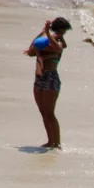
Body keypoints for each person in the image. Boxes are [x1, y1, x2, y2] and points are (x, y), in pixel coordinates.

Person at [24, 18, 71, 149]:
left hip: (51, 79)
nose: (63, 35)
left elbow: (57, 49)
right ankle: (51, 141)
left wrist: (48, 33)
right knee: (43, 112)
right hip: (39, 79)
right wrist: (42, 32)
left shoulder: (58, 43)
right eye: (63, 32)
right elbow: (30, 51)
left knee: (50, 113)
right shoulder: (43, 42)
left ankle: (58, 143)